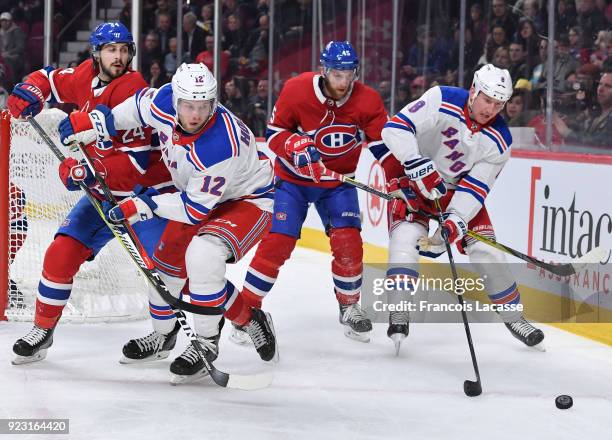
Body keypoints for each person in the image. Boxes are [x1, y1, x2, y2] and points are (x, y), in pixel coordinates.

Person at [76, 63, 278, 384]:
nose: (195, 114)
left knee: (202, 257)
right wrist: (102, 122)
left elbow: (193, 210)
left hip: (246, 200)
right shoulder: (165, 100)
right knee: (166, 266)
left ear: (213, 103)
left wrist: (141, 204)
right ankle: (164, 336)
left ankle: (206, 345)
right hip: (198, 193)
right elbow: (137, 107)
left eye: (202, 107)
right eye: (188, 106)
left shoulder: (219, 145)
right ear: (177, 100)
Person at [8, 22, 172, 365]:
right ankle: (43, 330)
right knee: (60, 254)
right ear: (96, 54)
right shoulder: (85, 76)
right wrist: (31, 88)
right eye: (112, 50)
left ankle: (165, 334)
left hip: (145, 197)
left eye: (125, 50)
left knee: (163, 268)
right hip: (102, 193)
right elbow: (52, 79)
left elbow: (137, 164)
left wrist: (86, 171)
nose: (119, 56)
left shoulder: (134, 89)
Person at [233, 41, 403, 344]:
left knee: (349, 240)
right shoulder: (297, 90)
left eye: (348, 73)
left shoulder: (368, 100)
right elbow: (274, 134)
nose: (342, 81)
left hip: (338, 183)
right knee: (278, 242)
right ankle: (246, 310)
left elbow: (383, 148)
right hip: (293, 182)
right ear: (324, 70)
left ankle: (349, 307)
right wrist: (292, 145)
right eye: (336, 73)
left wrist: (398, 181)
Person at [381, 64, 545, 352]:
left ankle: (514, 317)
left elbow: (475, 188)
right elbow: (394, 129)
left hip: (454, 193)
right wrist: (416, 164)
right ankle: (399, 311)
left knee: (488, 251)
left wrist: (455, 221)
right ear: (473, 90)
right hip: (414, 184)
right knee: (404, 241)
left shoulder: (500, 141)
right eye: (486, 99)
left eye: (498, 103)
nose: (490, 108)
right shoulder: (441, 98)